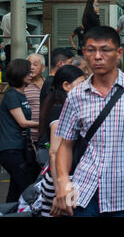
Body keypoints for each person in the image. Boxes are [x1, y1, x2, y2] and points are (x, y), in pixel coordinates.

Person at [53, 26, 124, 217]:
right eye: (91, 50)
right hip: (85, 192)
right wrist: (63, 180)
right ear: (84, 53)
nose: (97, 56)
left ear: (119, 53)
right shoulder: (76, 95)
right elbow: (65, 145)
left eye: (104, 49)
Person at [38, 65, 85, 217]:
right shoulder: (60, 110)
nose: (85, 89)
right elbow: (54, 152)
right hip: (60, 182)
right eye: (81, 84)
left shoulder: (58, 105)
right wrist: (60, 190)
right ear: (66, 86)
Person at [0, 59, 40, 202]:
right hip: (10, 149)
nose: (31, 74)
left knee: (16, 190)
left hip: (19, 147)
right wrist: (44, 124)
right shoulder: (12, 95)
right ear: (20, 74)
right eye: (27, 72)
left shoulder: (21, 94)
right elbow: (22, 122)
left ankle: (8, 211)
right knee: (26, 186)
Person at [24, 53, 46, 144]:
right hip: (29, 137)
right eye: (29, 65)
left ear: (43, 68)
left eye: (35, 64)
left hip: (48, 136)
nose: (31, 67)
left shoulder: (49, 84)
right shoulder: (23, 87)